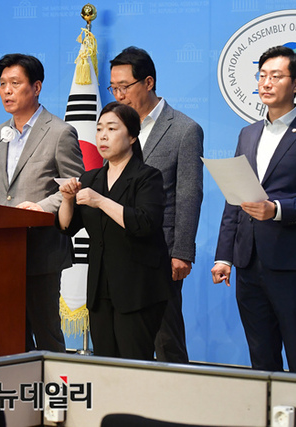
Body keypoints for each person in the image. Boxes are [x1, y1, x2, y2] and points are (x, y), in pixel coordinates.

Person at [211, 46, 296, 374]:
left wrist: (277, 209)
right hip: (247, 261)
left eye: (276, 76)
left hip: (292, 262)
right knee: (260, 354)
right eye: (262, 76)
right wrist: (224, 256)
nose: (266, 83)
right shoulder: (248, 133)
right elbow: (235, 197)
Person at [0, 53, 84, 352]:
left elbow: (74, 185)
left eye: (15, 83)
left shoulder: (59, 132)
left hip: (42, 249)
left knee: (46, 331)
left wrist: (41, 208)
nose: (7, 91)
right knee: (10, 332)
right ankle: (18, 382)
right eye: (3, 84)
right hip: (2, 250)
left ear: (36, 87)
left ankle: (56, 383)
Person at [108, 46, 203, 363]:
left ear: (148, 82)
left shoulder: (184, 130)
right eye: (113, 88)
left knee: (166, 340)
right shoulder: (115, 127)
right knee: (124, 339)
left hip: (161, 252)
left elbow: (189, 194)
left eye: (125, 86)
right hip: (120, 251)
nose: (119, 95)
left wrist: (182, 252)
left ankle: (175, 394)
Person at [57, 102, 170, 360]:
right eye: (99, 129)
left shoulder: (148, 177)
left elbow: (144, 223)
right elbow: (66, 226)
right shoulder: (91, 178)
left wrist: (100, 201)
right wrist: (67, 200)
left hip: (138, 289)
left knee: (134, 363)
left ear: (132, 137)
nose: (103, 136)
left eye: (111, 128)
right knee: (105, 364)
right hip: (100, 289)